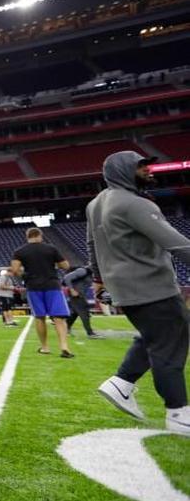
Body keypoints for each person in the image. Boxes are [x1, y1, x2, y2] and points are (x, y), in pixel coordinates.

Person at [89, 151, 190, 435]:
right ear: (123, 170)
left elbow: (91, 245)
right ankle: (178, 411)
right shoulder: (135, 203)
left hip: (123, 287)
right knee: (169, 344)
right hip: (152, 285)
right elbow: (176, 243)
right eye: (141, 166)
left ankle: (122, 383)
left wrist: (97, 278)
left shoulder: (95, 203)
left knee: (157, 335)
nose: (149, 170)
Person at [10, 227, 73, 358]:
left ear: (27, 236)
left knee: (40, 317)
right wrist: (54, 264)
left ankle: (45, 347)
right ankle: (64, 347)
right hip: (52, 285)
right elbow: (66, 266)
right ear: (40, 235)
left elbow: (15, 270)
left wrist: (25, 275)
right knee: (59, 317)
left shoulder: (20, 251)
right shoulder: (51, 248)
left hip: (33, 287)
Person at [62, 266, 102, 339]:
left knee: (75, 313)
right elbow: (67, 278)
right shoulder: (84, 271)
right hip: (76, 294)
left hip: (80, 295)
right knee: (85, 313)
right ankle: (90, 333)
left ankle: (66, 329)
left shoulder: (91, 274)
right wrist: (72, 290)